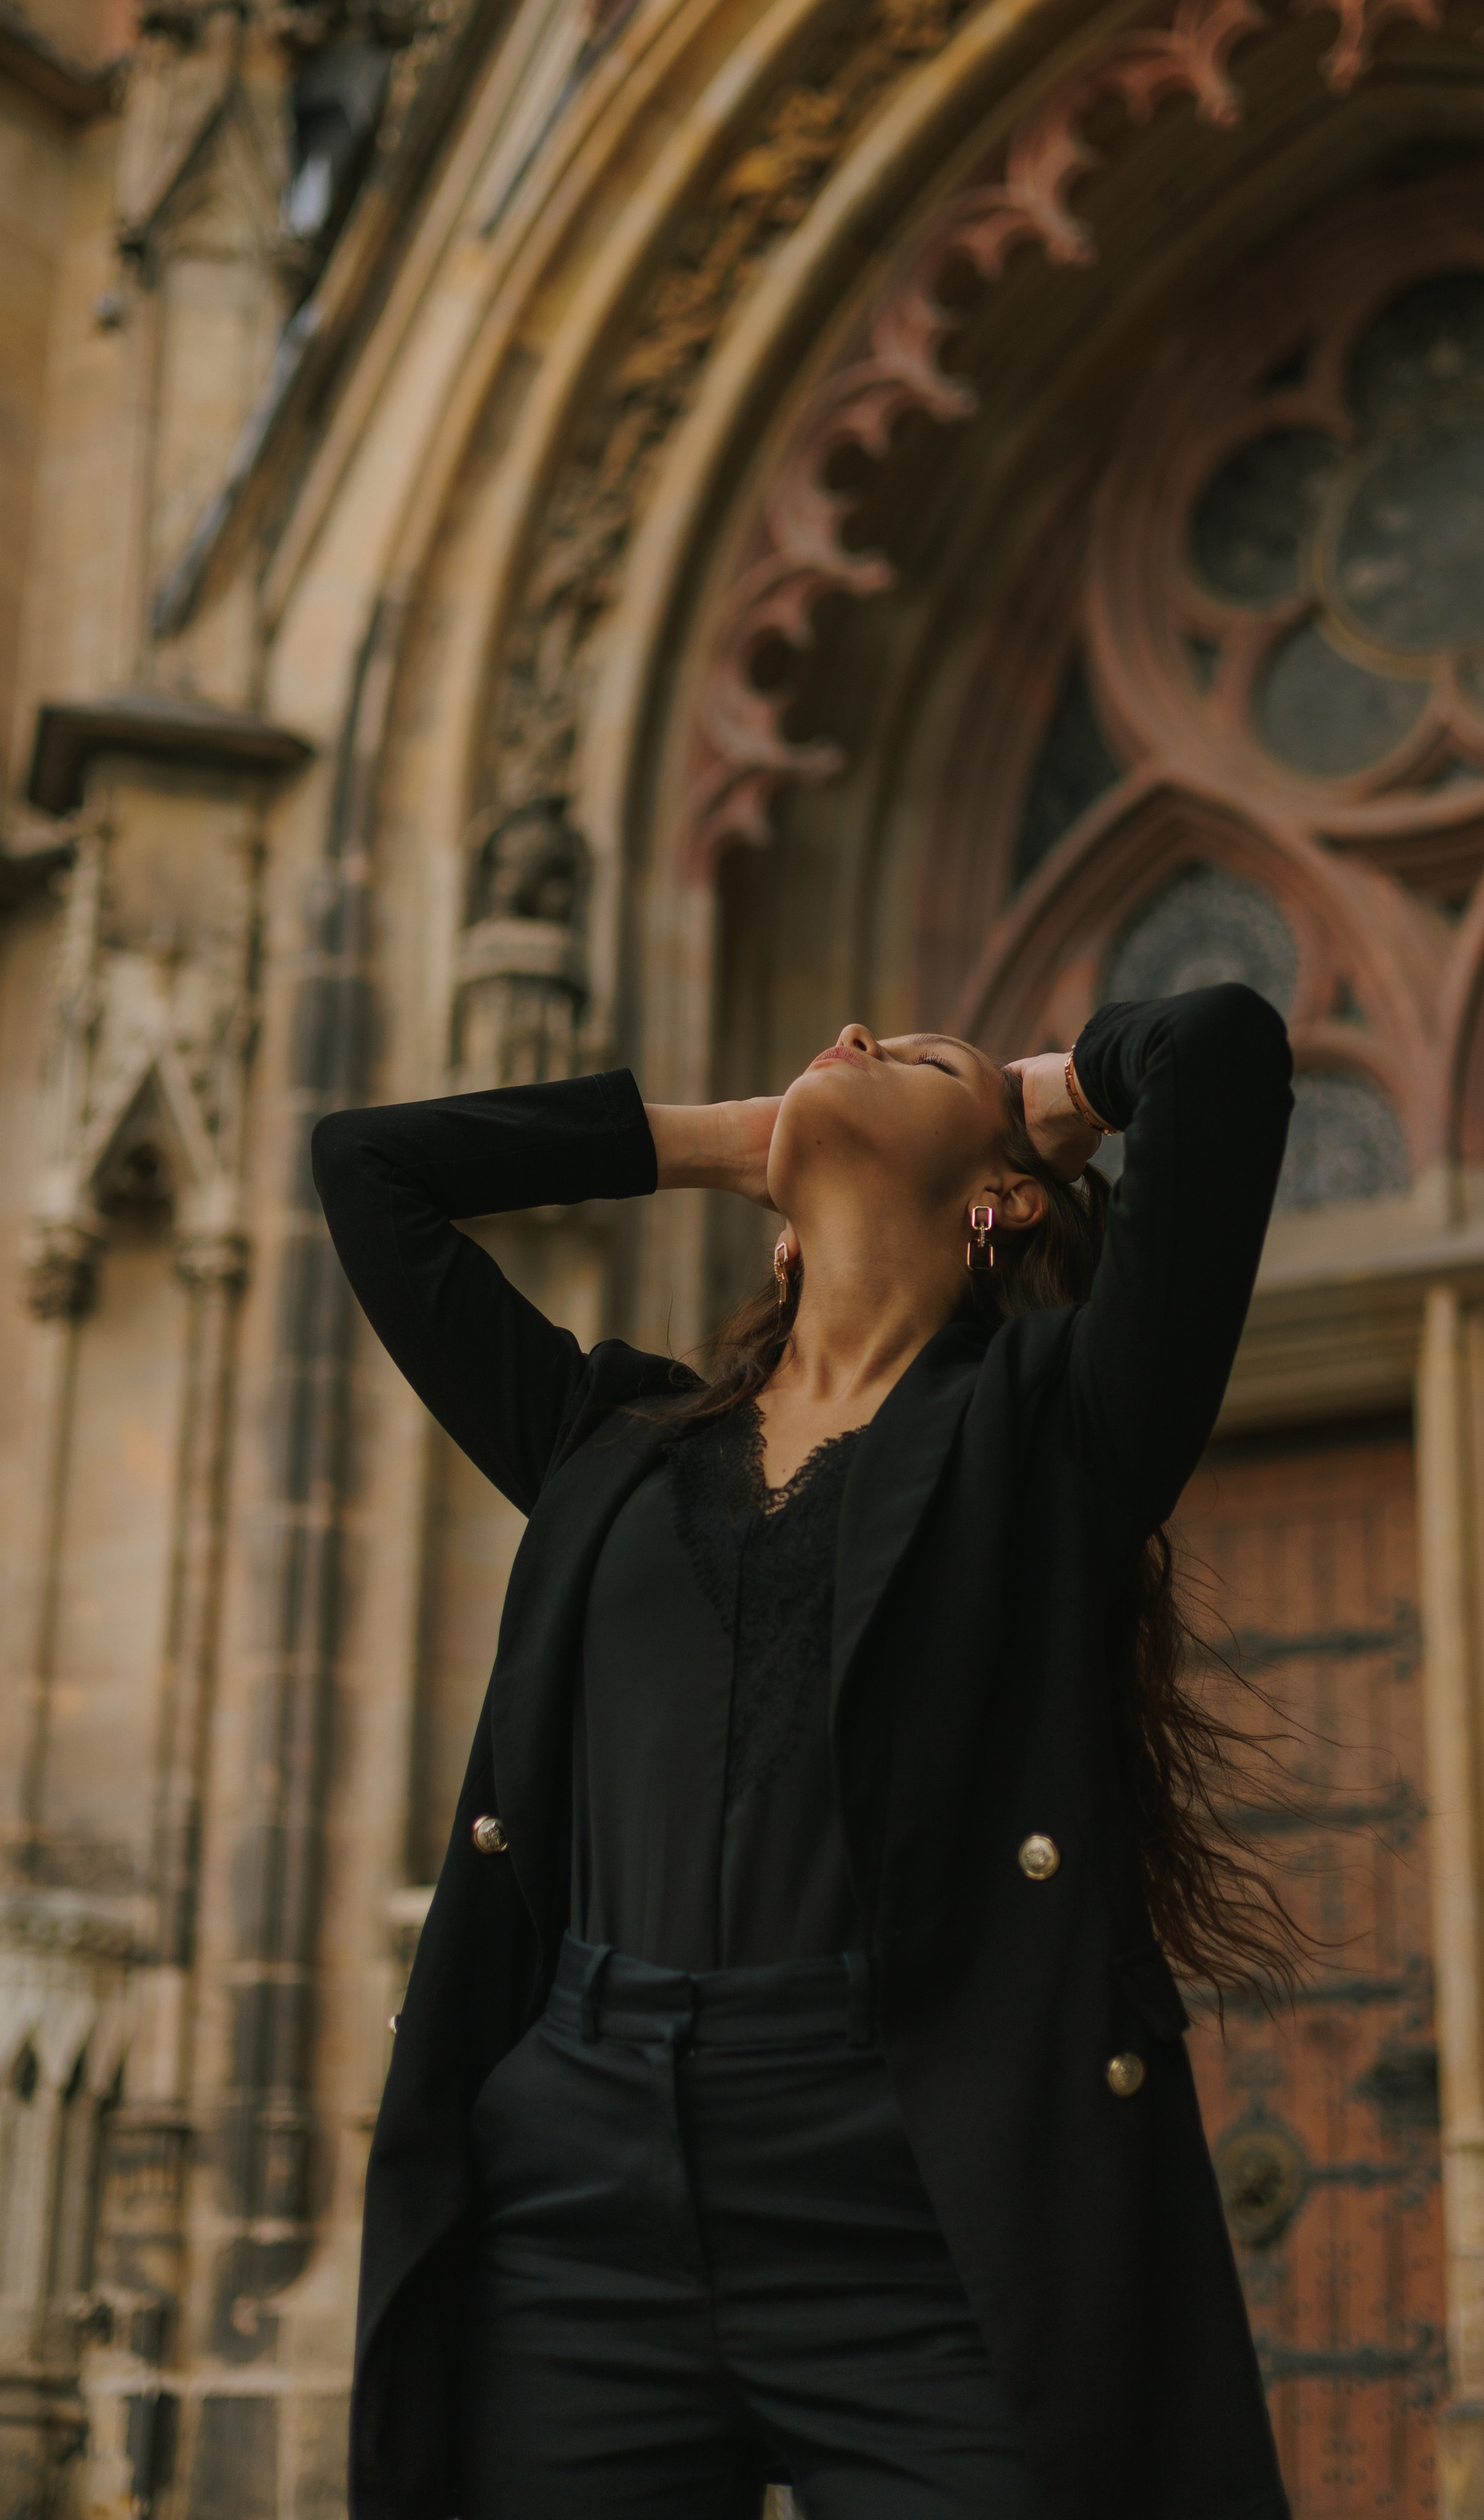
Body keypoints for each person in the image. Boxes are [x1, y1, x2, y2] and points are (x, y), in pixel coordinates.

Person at [313, 981, 1295, 2520]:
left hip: (910, 2185)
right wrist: (736, 1142)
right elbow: (366, 1167)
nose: (852, 1035)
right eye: (851, 1044)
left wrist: (1046, 1090)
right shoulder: (607, 1443)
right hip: (577, 2170)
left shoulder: (1054, 1437)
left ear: (1003, 1197)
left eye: (918, 1056)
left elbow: (1220, 1045)